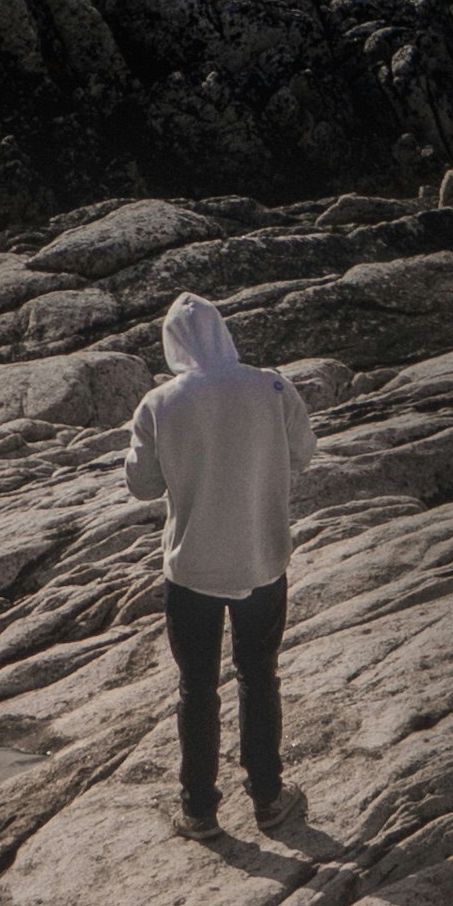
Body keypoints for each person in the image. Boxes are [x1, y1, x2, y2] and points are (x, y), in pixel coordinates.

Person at [124, 292, 317, 840]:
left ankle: (200, 810)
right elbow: (304, 454)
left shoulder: (160, 403)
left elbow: (141, 486)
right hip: (262, 556)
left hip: (192, 569)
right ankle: (268, 798)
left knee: (197, 687)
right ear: (223, 332)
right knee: (259, 677)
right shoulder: (272, 386)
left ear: (173, 343)